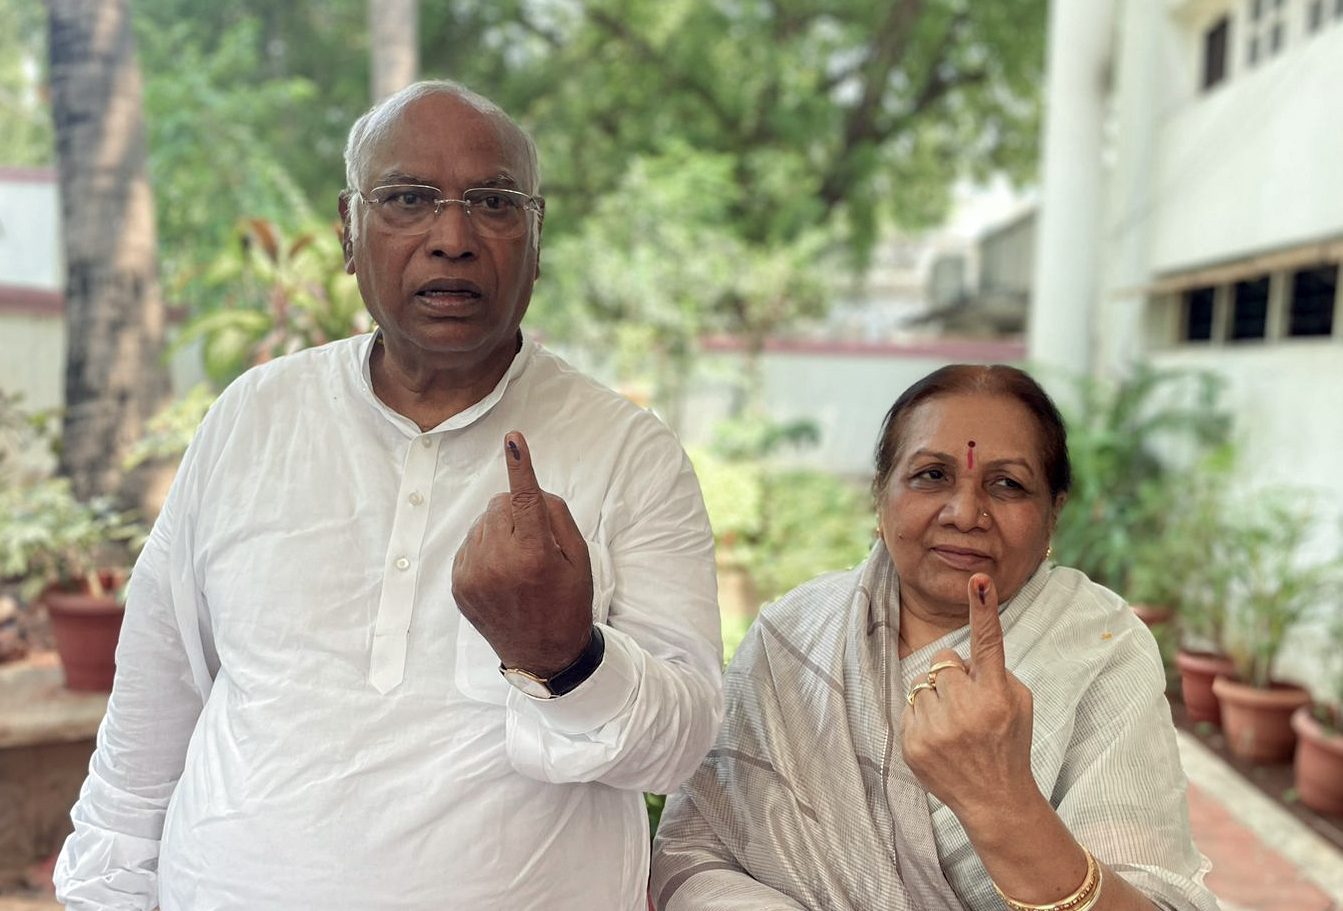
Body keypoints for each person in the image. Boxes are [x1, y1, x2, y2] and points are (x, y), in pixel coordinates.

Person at [54, 80, 724, 910]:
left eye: (493, 201)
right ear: (348, 229)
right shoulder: (251, 419)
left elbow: (684, 745)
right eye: (408, 198)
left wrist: (564, 657)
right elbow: (147, 725)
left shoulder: (628, 451)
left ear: (537, 236)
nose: (452, 237)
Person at [651, 365, 1220, 911]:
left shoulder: (1100, 650)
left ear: (1054, 515)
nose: (966, 512)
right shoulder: (792, 635)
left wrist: (1001, 802)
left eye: (1007, 484)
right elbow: (695, 849)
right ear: (881, 495)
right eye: (932, 475)